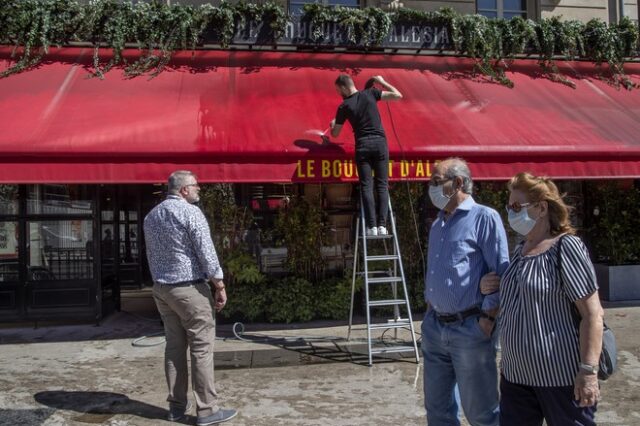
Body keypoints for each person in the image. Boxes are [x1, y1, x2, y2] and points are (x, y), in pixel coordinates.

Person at [481, 172, 604, 426]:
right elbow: (517, 301)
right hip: (516, 378)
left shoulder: (565, 247)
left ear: (541, 208)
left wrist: (589, 372)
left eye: (516, 206)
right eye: (508, 206)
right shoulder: (520, 250)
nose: (510, 212)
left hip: (561, 379)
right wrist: (488, 286)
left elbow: (593, 314)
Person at [144, 170, 237, 426]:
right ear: (184, 190)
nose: (199, 189)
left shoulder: (151, 216)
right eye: (196, 186)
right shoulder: (190, 212)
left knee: (174, 348)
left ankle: (175, 407)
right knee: (202, 348)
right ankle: (207, 410)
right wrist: (219, 283)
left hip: (162, 289)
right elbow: (206, 250)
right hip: (189, 289)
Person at [422, 157, 509, 426]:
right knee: (438, 412)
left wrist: (487, 320)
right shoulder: (438, 225)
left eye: (437, 181)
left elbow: (501, 273)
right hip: (435, 328)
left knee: (482, 414)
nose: (431, 187)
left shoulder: (485, 218)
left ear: (458, 183)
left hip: (470, 329)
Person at [329, 74, 402, 236]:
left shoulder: (344, 106)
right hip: (380, 144)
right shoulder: (370, 93)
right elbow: (398, 95)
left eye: (338, 90)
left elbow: (335, 134)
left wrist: (332, 124)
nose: (338, 94)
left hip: (362, 145)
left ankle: (372, 227)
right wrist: (381, 81)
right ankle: (383, 225)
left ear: (343, 87)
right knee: (382, 185)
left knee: (366, 187)